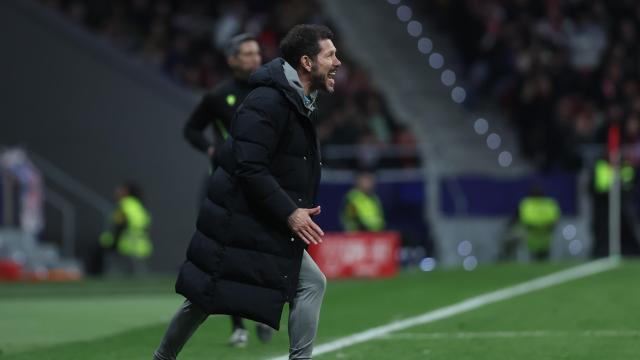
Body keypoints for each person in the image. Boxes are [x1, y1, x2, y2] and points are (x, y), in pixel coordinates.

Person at [153, 24, 341, 360]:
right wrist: (290, 212)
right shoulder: (268, 100)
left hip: (260, 213)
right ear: (306, 62)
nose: (338, 62)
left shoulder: (295, 98)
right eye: (330, 54)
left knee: (211, 294)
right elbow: (250, 167)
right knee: (206, 293)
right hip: (240, 217)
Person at [183, 33, 271, 347]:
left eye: (257, 52)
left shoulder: (270, 91)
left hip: (264, 185)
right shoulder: (218, 96)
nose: (255, 58)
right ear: (232, 59)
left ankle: (262, 313)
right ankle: (238, 326)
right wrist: (209, 149)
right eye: (247, 53)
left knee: (261, 253)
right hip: (227, 184)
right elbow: (190, 129)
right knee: (227, 255)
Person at [99, 182, 152, 275]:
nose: (117, 191)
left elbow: (119, 224)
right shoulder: (137, 205)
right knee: (137, 271)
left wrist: (111, 241)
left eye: (121, 189)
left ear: (126, 191)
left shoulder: (124, 205)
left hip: (124, 244)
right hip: (140, 244)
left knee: (116, 269)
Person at [516, 185, 561, 261]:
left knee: (537, 256)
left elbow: (524, 220)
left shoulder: (527, 203)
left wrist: (537, 227)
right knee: (540, 256)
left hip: (534, 235)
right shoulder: (549, 203)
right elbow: (554, 220)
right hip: (543, 235)